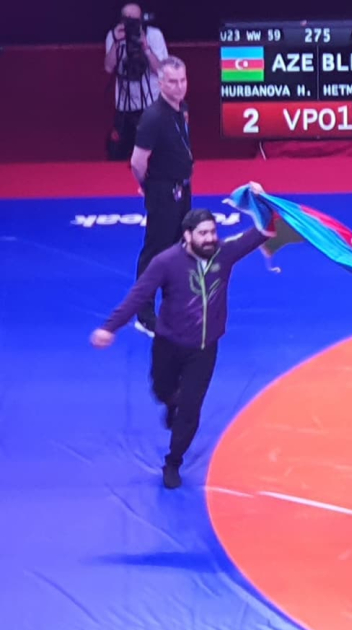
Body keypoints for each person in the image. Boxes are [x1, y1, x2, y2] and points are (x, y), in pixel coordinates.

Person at [90, 197, 275, 489]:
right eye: (203, 234)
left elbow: (264, 231)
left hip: (204, 349)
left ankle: (173, 461)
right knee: (161, 390)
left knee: (191, 409)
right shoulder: (166, 262)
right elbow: (138, 296)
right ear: (187, 235)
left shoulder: (224, 253)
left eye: (212, 232)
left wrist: (262, 201)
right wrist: (109, 328)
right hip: (169, 344)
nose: (210, 238)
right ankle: (170, 401)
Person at [130, 55, 194, 336]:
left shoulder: (182, 109)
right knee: (156, 251)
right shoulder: (153, 117)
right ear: (160, 83)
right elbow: (137, 161)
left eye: (183, 80)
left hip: (183, 188)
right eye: (173, 82)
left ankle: (175, 307)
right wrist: (148, 186)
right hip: (162, 191)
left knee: (182, 248)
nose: (179, 87)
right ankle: (144, 315)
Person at [104, 3, 169, 160]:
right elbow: (108, 67)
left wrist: (146, 48)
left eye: (135, 20)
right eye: (128, 20)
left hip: (151, 103)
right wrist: (117, 42)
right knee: (117, 153)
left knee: (156, 155)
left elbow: (161, 71)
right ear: (121, 20)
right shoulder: (114, 35)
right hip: (125, 105)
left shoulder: (154, 35)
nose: (132, 24)